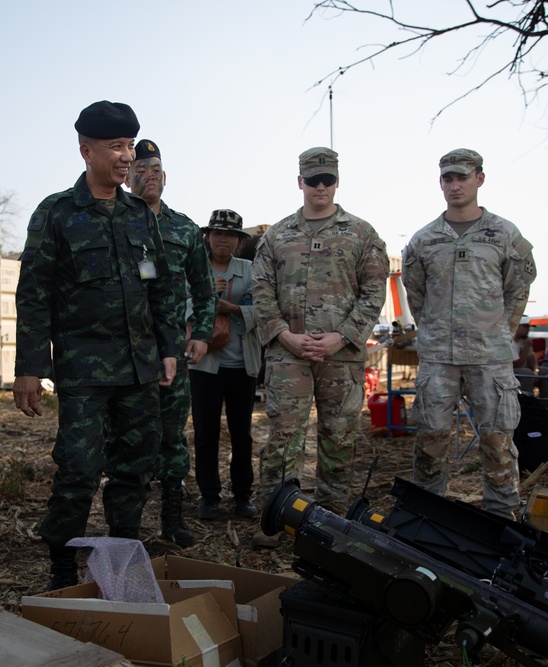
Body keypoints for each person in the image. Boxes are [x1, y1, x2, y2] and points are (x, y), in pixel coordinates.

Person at [13, 101, 180, 590]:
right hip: (84, 371)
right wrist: (29, 367)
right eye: (116, 147)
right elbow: (34, 292)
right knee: (79, 471)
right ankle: (62, 567)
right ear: (86, 150)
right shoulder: (57, 213)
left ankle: (124, 558)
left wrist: (168, 344)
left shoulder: (138, 216)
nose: (127, 156)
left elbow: (159, 283)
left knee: (135, 468)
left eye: (130, 145)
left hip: (139, 369)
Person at [252, 147, 388, 547]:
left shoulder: (362, 234)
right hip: (287, 354)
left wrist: (342, 336)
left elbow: (373, 290)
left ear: (337, 182)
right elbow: (261, 290)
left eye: (328, 179)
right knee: (284, 437)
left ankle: (331, 522)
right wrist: (284, 335)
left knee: (339, 436)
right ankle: (275, 517)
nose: (321, 187)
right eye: (313, 180)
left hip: (341, 357)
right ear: (300, 183)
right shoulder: (277, 235)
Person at [402, 148, 537, 519]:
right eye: (448, 178)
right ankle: (427, 518)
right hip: (439, 359)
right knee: (430, 439)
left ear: (480, 178)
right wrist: (433, 332)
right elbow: (416, 293)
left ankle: (501, 518)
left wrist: (499, 333)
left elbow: (518, 289)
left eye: (463, 176)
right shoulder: (424, 239)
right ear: (440, 183)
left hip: (489, 358)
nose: (455, 184)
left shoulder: (504, 234)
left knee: (497, 441)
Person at [124, 139, 215, 547]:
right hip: (124, 352)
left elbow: (205, 288)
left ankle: (172, 517)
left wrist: (202, 334)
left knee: (172, 435)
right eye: (140, 171)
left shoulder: (185, 229)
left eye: (156, 171)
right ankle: (127, 522)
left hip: (173, 351)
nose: (149, 178)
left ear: (166, 177)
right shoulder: (117, 223)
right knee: (127, 436)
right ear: (126, 178)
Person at [190, 210, 260, 522]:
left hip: (241, 363)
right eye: (217, 233)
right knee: (205, 432)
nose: (223, 239)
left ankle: (243, 495)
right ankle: (209, 495)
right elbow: (177, 306)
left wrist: (231, 307)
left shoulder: (250, 270)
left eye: (230, 235)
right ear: (207, 236)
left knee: (241, 432)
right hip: (204, 364)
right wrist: (206, 298)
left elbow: (265, 310)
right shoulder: (195, 268)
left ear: (239, 241)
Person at [512, 315, 539, 393]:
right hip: (512, 371)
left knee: (545, 371)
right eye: (526, 327)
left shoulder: (524, 341)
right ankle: (527, 399)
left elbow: (532, 359)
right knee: (526, 372)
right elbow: (517, 365)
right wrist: (526, 348)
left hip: (524, 369)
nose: (528, 330)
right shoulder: (510, 341)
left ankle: (547, 401)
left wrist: (536, 370)